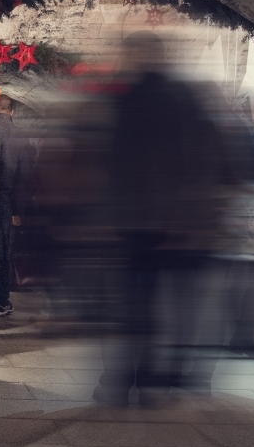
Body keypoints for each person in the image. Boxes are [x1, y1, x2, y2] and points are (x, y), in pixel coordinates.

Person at [96, 33, 234, 404]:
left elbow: (118, 164)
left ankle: (128, 376)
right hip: (160, 220)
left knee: (136, 303)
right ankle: (150, 377)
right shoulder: (175, 101)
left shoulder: (132, 101)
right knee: (158, 303)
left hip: (139, 220)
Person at [0, 92, 33, 319]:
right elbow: (24, 178)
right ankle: (1, 302)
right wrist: (18, 210)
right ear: (11, 112)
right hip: (4, 199)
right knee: (2, 250)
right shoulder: (20, 136)